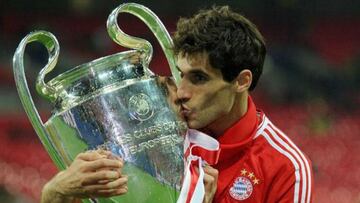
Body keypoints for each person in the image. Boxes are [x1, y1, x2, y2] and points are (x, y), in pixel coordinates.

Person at [41, 5, 313, 203]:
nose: (181, 91)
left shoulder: (285, 167)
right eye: (181, 74)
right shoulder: (152, 135)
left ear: (241, 81)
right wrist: (56, 193)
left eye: (199, 78)